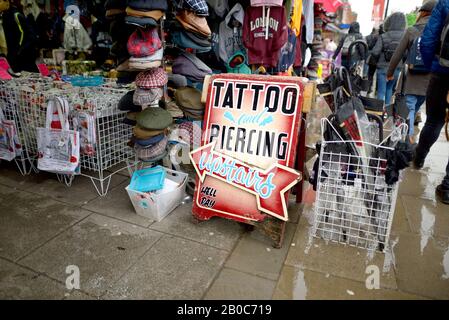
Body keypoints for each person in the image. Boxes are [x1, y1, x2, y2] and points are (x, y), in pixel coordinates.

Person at [386, 1, 437, 143]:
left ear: (422, 13)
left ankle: (406, 141)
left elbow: (397, 54)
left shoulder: (412, 30)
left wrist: (390, 73)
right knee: (416, 107)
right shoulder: (439, 32)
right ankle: (408, 140)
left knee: (409, 109)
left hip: (411, 79)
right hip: (430, 79)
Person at [415, 0, 449, 205]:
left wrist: (432, 64)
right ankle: (448, 187)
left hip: (442, 71)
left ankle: (419, 156)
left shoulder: (444, 3)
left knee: (434, 120)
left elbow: (427, 39)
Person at [371, 12, 407, 106]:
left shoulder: (384, 36)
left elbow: (375, 52)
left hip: (382, 67)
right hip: (396, 68)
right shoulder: (405, 36)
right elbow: (406, 54)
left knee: (381, 91)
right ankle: (387, 113)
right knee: (389, 89)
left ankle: (378, 113)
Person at [0, 0, 38, 72]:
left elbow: (27, 35)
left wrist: (18, 51)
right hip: (11, 57)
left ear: (7, 2)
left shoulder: (16, 15)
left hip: (22, 57)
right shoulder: (4, 16)